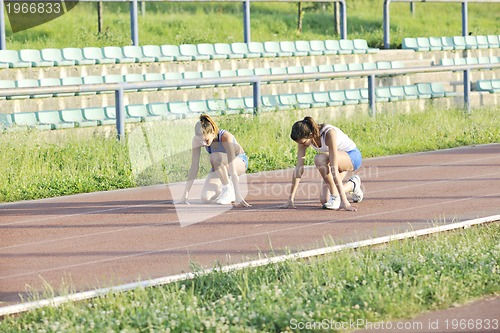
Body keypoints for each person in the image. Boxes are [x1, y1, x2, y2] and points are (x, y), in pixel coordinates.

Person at [280, 116, 363, 211]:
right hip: (335, 159)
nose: (301, 145)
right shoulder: (304, 139)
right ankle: (353, 185)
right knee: (325, 200)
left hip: (352, 157)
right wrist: (290, 199)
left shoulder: (329, 134)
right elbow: (299, 170)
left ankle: (336, 196)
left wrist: (345, 203)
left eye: (303, 142)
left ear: (311, 135)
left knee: (319, 159)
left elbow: (334, 169)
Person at [177, 114, 250, 207]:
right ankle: (226, 186)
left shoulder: (226, 137)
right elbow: (194, 167)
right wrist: (185, 194)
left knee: (214, 157)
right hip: (219, 166)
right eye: (201, 141)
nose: (204, 144)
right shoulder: (196, 140)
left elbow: (233, 169)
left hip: (238, 162)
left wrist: (237, 195)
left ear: (212, 132)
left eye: (206, 140)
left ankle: (228, 189)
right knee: (205, 198)